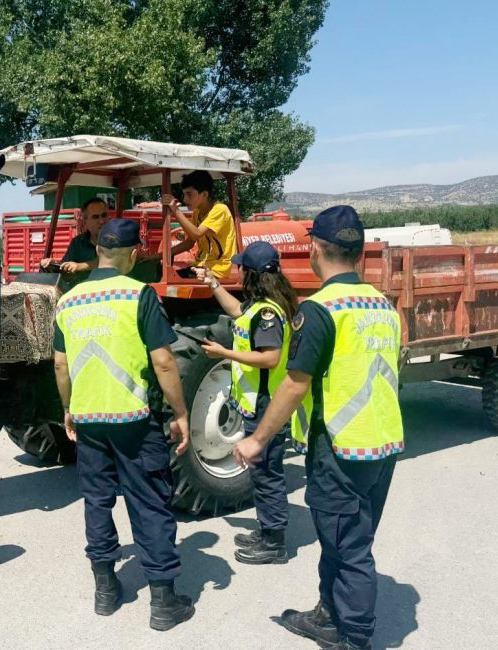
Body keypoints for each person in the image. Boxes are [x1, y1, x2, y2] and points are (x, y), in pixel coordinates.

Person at [233, 205, 404, 650]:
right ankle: (328, 612)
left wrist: (257, 439)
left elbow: (293, 383)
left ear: (315, 249)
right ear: (359, 250)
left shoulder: (323, 310)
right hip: (382, 443)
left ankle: (354, 636)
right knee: (342, 536)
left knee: (350, 547)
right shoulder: (382, 306)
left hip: (342, 447)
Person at [53, 218, 194, 632]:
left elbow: (61, 364)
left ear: (97, 251)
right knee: (148, 501)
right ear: (133, 255)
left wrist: (68, 407)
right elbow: (164, 360)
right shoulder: (139, 295)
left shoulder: (70, 300)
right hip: (134, 419)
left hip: (90, 420)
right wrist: (181, 413)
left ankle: (106, 590)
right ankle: (164, 602)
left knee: (97, 500)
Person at [194, 241, 300, 565]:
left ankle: (275, 543)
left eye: (240, 267)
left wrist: (224, 353)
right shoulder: (259, 306)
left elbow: (269, 358)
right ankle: (267, 530)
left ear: (250, 273)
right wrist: (212, 283)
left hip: (268, 403)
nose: (236, 271)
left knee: (268, 473)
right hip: (257, 404)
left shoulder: (268, 312)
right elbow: (236, 312)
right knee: (260, 472)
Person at [160, 171, 238, 280]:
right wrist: (159, 256)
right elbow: (189, 243)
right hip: (200, 267)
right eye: (184, 194)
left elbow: (196, 234)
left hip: (217, 270)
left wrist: (175, 210)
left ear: (205, 194)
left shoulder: (220, 210)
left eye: (189, 194)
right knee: (163, 277)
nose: (185, 199)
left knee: (171, 282)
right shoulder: (197, 213)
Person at [39, 197, 113, 289]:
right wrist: (54, 265)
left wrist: (79, 266)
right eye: (95, 217)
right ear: (85, 221)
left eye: (104, 215)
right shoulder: (78, 243)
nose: (101, 221)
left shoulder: (117, 239)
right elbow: (66, 272)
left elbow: (111, 261)